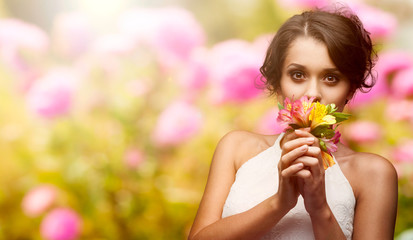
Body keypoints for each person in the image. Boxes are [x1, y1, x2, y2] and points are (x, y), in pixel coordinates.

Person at [188, 7, 398, 240]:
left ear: (350, 89)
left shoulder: (373, 174)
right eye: (298, 75)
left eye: (331, 78)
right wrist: (279, 203)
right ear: (277, 85)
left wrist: (319, 209)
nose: (312, 93)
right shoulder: (237, 149)